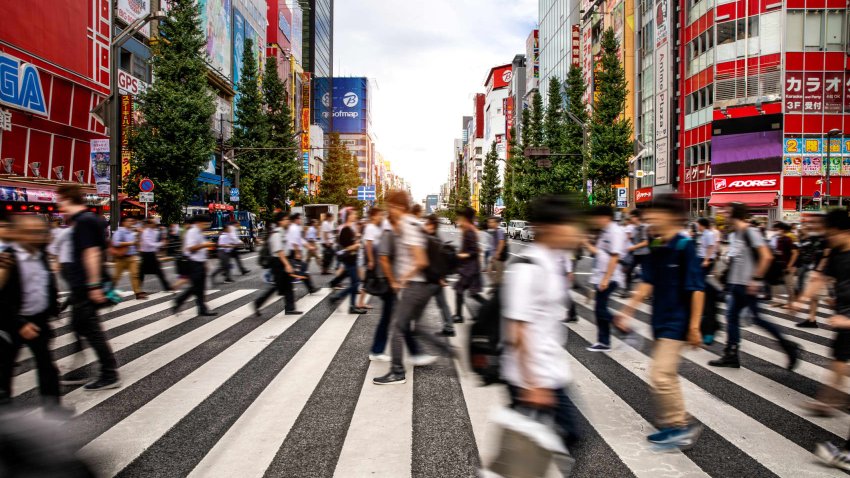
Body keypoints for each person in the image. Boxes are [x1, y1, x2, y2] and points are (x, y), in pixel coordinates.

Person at [615, 194, 705, 449]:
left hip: (677, 322)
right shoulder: (656, 244)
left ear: (671, 216)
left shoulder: (685, 246)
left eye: (656, 213)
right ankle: (675, 424)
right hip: (660, 320)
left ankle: (679, 427)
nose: (649, 217)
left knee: (661, 374)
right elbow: (647, 282)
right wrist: (627, 310)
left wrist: (695, 327)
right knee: (665, 374)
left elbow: (697, 288)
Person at [500, 195, 584, 471]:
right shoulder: (528, 267)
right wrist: (532, 383)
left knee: (564, 437)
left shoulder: (554, 260)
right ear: (550, 227)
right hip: (531, 377)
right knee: (552, 441)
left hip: (551, 370)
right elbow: (517, 329)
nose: (575, 230)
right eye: (569, 225)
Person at [708, 203, 799, 369]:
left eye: (726, 211)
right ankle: (731, 353)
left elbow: (766, 256)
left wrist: (756, 280)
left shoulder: (750, 231)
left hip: (747, 284)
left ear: (735, 213)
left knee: (757, 319)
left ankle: (789, 346)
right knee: (732, 317)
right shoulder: (736, 234)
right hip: (736, 284)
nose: (723, 214)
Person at [373, 190, 450, 385]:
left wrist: (402, 279)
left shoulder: (408, 225)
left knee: (398, 327)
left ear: (398, 206)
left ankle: (397, 371)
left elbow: (421, 260)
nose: (388, 210)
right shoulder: (412, 223)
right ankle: (443, 350)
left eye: (390, 206)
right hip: (420, 285)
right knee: (410, 326)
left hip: (415, 284)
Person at [56, 184, 121, 391]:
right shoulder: (90, 220)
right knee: (81, 326)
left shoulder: (83, 221)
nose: (59, 206)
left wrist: (93, 285)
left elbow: (91, 253)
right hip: (82, 286)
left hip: (85, 286)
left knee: (90, 329)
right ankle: (84, 371)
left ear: (67, 198)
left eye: (60, 200)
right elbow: (104, 248)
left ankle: (109, 373)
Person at [0, 215, 63, 410]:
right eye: (30, 232)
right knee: (4, 368)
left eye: (39, 232)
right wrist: (19, 324)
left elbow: (45, 285)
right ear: (17, 234)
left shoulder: (41, 255)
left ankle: (53, 406)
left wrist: (53, 308)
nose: (36, 236)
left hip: (38, 320)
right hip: (11, 323)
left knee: (47, 365)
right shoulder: (7, 259)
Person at [583, 205, 627, 352]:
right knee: (599, 309)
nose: (595, 220)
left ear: (606, 217)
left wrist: (606, 279)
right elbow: (599, 253)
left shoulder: (615, 232)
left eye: (597, 217)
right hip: (601, 275)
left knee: (601, 309)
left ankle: (622, 327)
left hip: (611, 276)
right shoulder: (604, 232)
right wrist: (585, 243)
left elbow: (615, 256)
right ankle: (604, 341)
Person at [254, 213, 301, 316]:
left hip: (283, 261)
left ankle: (290, 308)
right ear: (280, 221)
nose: (288, 221)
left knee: (288, 285)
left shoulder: (283, 232)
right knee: (277, 286)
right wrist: (287, 265)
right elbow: (279, 251)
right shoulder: (276, 234)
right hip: (278, 262)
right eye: (285, 219)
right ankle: (258, 303)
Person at [173, 215, 216, 317]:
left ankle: (201, 309)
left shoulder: (198, 232)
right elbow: (191, 248)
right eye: (205, 223)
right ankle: (179, 301)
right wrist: (206, 245)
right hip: (193, 263)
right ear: (199, 222)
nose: (207, 225)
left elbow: (200, 250)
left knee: (199, 288)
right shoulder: (192, 232)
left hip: (199, 263)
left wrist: (205, 261)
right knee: (196, 287)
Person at [423, 215, 455, 337]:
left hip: (434, 279)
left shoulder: (433, 240)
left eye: (427, 224)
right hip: (437, 278)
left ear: (432, 225)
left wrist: (440, 277)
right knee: (442, 304)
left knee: (420, 303)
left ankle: (412, 325)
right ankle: (449, 326)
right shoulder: (435, 238)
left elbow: (437, 261)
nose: (425, 226)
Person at [330, 210, 367, 314]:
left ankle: (351, 306)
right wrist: (355, 246)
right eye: (353, 214)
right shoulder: (345, 229)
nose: (355, 215)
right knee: (356, 283)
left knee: (355, 282)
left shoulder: (351, 228)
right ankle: (338, 297)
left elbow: (351, 243)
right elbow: (345, 246)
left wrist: (357, 240)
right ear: (348, 216)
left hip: (352, 259)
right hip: (349, 260)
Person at [795, 214, 829, 328]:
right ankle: (811, 319)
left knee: (830, 298)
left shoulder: (827, 237)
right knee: (815, 297)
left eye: (814, 222)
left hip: (826, 273)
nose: (811, 224)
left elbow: (827, 255)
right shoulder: (816, 237)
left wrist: (818, 270)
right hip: (817, 270)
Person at [453, 207, 485, 323]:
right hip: (470, 268)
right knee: (473, 293)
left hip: (469, 269)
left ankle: (458, 316)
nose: (459, 219)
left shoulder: (470, 231)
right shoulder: (468, 229)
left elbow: (475, 251)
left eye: (460, 217)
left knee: (460, 290)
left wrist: (462, 255)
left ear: (465, 218)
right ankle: (459, 315)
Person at [696, 218, 720, 344]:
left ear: (702, 225)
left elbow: (711, 247)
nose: (697, 226)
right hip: (701, 259)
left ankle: (718, 293)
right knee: (702, 284)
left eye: (698, 225)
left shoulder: (709, 234)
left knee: (702, 285)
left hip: (706, 260)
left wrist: (706, 260)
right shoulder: (703, 234)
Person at [111, 216, 146, 300]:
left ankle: (137, 293)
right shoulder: (119, 231)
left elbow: (136, 244)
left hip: (132, 257)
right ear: (124, 222)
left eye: (132, 221)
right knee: (116, 277)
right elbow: (115, 243)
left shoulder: (132, 232)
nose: (131, 223)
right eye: (129, 221)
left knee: (135, 275)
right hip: (121, 258)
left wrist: (139, 235)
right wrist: (130, 243)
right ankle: (108, 291)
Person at [359, 207, 385, 309]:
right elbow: (369, 245)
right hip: (372, 258)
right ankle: (361, 303)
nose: (381, 217)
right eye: (379, 215)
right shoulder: (370, 228)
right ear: (374, 216)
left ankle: (361, 302)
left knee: (369, 280)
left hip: (375, 258)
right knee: (368, 280)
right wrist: (370, 260)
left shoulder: (375, 227)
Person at [768, 222, 799, 308]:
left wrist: (790, 266)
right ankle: (778, 301)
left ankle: (791, 303)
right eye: (775, 229)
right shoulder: (778, 239)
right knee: (775, 283)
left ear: (783, 230)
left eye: (777, 229)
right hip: (779, 266)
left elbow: (795, 253)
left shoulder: (788, 239)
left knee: (789, 285)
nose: (776, 231)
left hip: (788, 266)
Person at [139, 219, 172, 292]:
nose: (155, 225)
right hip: (146, 254)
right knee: (142, 272)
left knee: (158, 271)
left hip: (152, 254)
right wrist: (160, 244)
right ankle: (138, 288)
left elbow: (158, 239)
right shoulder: (146, 232)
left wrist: (162, 242)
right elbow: (149, 243)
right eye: (153, 223)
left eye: (155, 224)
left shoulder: (155, 231)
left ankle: (167, 287)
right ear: (149, 224)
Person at [624, 209, 651, 292]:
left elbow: (645, 242)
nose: (631, 218)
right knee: (628, 270)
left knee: (647, 274)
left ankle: (649, 292)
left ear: (637, 217)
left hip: (645, 254)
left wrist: (633, 247)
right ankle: (627, 289)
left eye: (632, 217)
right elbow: (633, 240)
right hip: (636, 254)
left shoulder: (643, 227)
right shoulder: (634, 228)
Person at [487, 216, 507, 286]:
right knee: (489, 272)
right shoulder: (493, 232)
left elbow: (501, 242)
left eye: (492, 222)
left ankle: (498, 287)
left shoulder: (499, 231)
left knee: (499, 275)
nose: (490, 223)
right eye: (489, 222)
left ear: (496, 223)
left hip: (499, 258)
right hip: (494, 257)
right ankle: (496, 285)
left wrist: (497, 254)